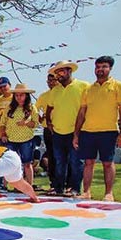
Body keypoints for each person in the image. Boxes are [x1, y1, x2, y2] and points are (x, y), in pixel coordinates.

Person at [73, 56, 121, 202]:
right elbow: (82, 113)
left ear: (110, 68)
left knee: (107, 162)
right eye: (98, 67)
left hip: (109, 131)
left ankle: (108, 193)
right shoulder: (88, 89)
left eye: (104, 67)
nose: (100, 70)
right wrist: (76, 134)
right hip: (88, 131)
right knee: (88, 162)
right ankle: (86, 192)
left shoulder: (119, 86)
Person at [46, 60, 90, 196]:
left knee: (76, 162)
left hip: (77, 131)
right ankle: (58, 187)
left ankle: (74, 188)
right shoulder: (55, 90)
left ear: (69, 71)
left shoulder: (83, 86)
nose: (59, 74)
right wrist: (48, 122)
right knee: (60, 162)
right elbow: (49, 107)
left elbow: (87, 108)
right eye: (57, 72)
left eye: (61, 71)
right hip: (58, 131)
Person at [0, 83, 39, 186]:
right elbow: (2, 123)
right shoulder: (9, 108)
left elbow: (35, 123)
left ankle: (29, 185)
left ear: (26, 95)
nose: (19, 97)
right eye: (16, 95)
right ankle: (5, 185)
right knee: (8, 163)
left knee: (27, 163)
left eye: (21, 95)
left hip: (26, 139)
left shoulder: (32, 108)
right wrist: (3, 134)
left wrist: (25, 123)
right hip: (11, 139)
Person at [36, 73, 59, 192]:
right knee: (51, 157)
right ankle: (53, 183)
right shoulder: (43, 96)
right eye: (48, 80)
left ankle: (66, 183)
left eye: (53, 80)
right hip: (47, 129)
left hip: (62, 129)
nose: (50, 82)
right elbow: (35, 112)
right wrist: (41, 118)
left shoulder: (62, 92)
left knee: (63, 157)